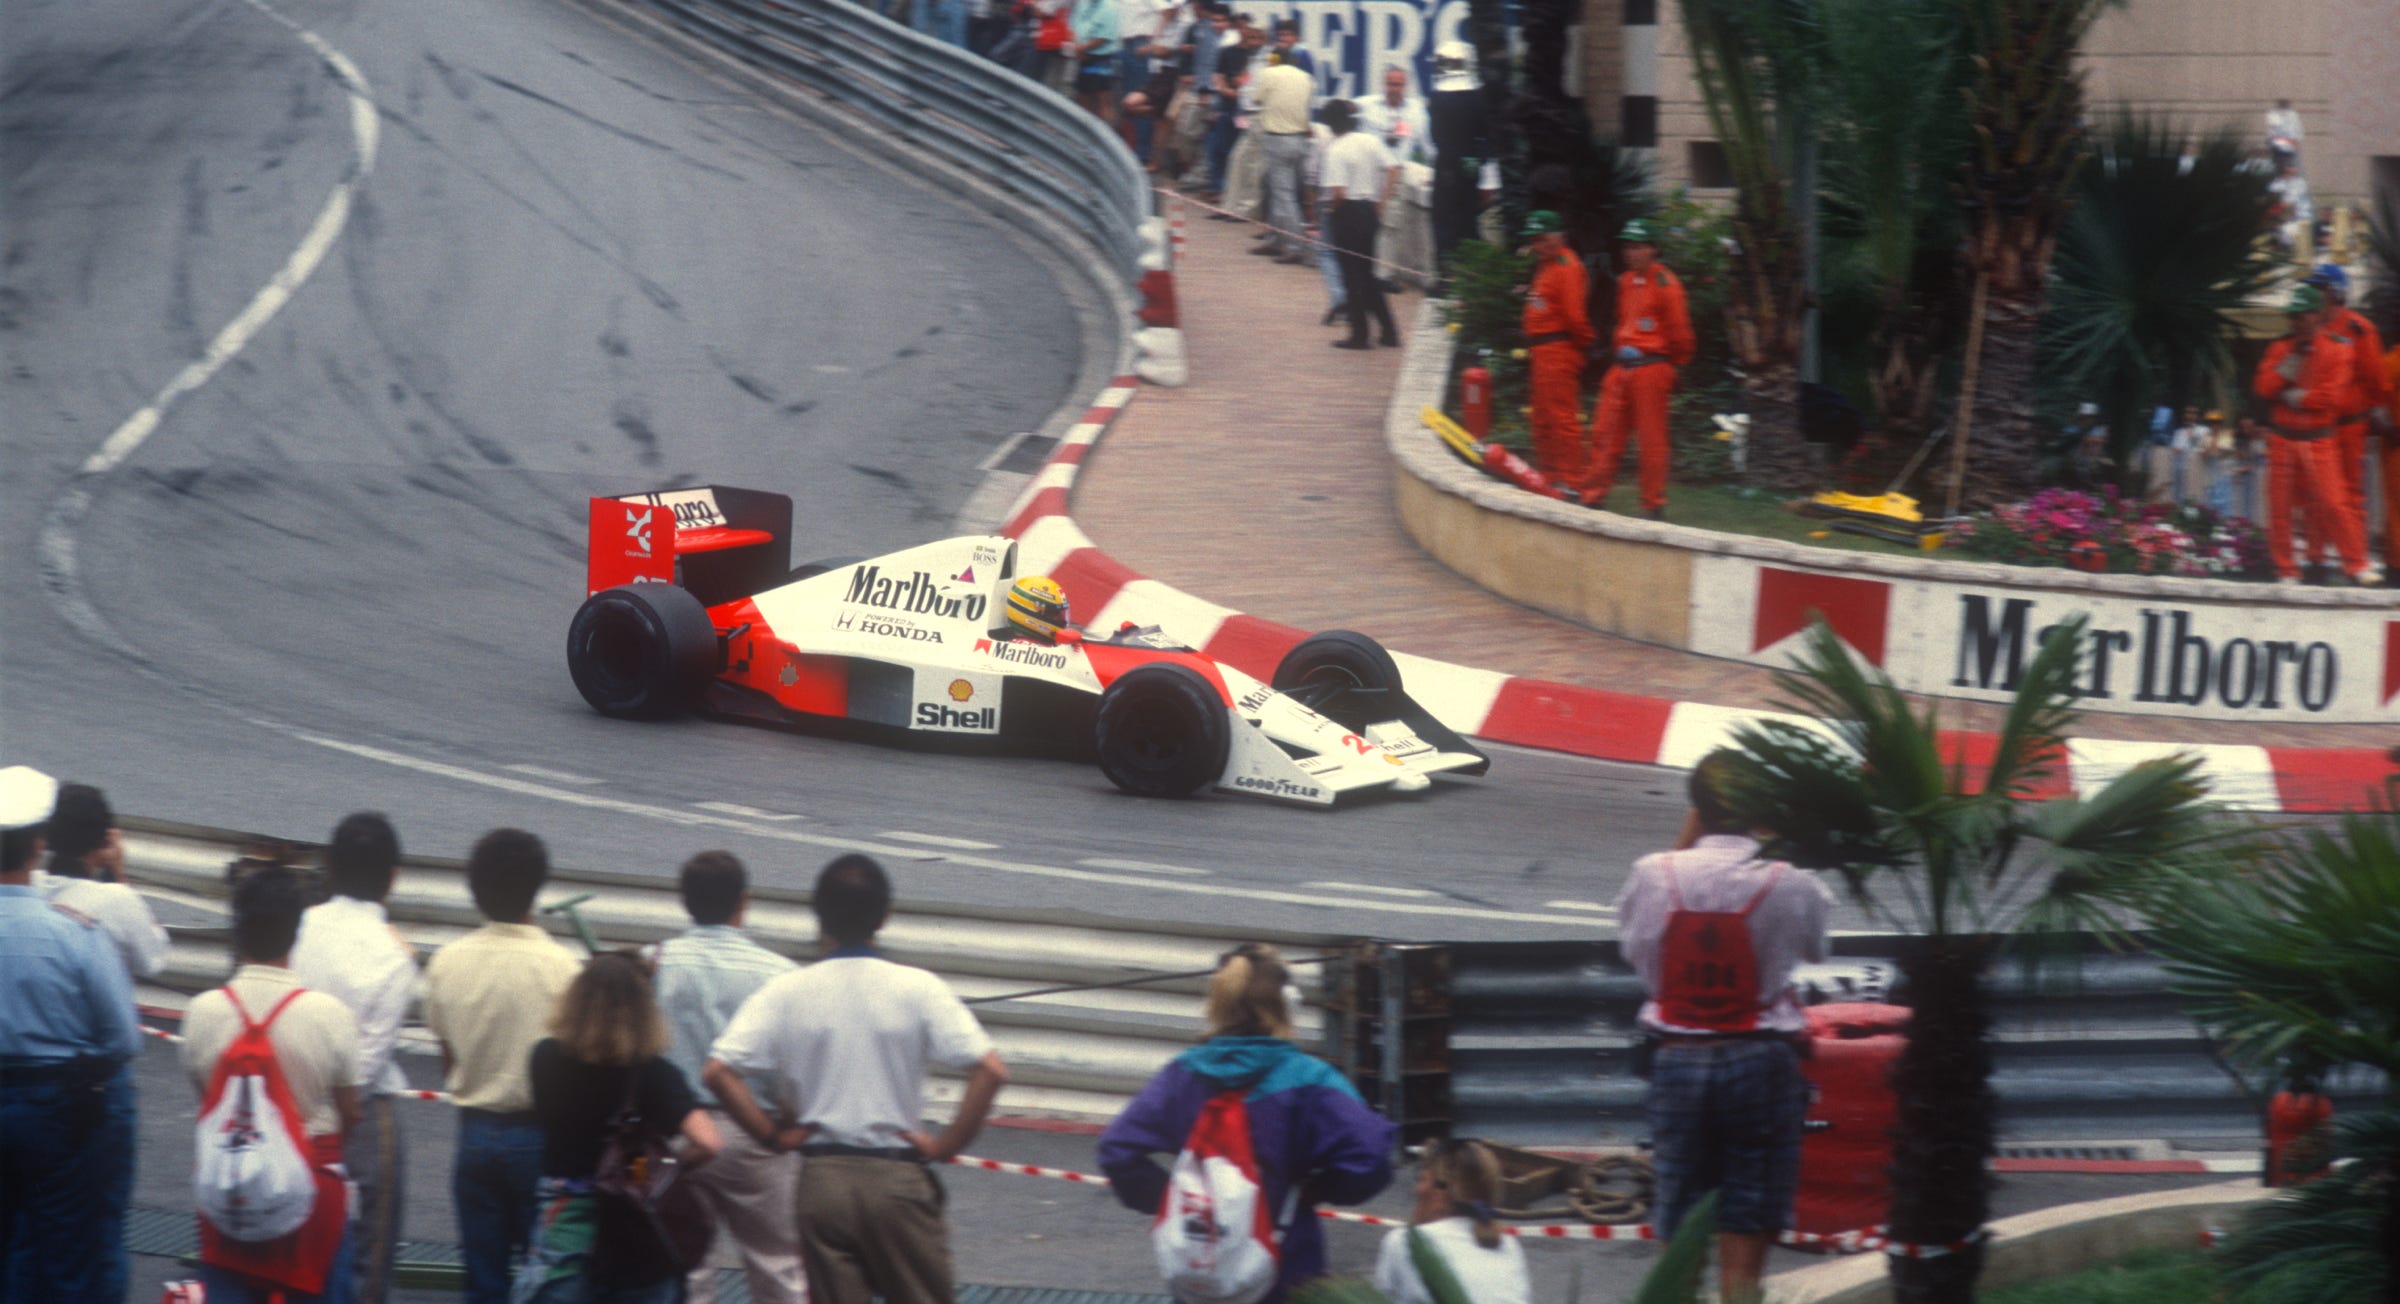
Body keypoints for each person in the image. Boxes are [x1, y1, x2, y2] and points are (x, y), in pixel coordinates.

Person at [704, 855, 1010, 1304]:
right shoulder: (919, 987)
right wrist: (946, 1145)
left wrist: (771, 1136)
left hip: (821, 1179)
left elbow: (718, 1071)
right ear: (884, 916)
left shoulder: (786, 990)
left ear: (819, 914)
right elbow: (991, 1070)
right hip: (896, 1177)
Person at [1615, 750, 1834, 1304]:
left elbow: (1636, 951)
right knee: (1750, 1211)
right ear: (1761, 811)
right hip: (1761, 1057)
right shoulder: (1790, 881)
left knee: (1679, 1208)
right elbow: (1816, 947)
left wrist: (1683, 841)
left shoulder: (1653, 873)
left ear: (1696, 808)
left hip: (1677, 1057)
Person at [1097, 944, 1394, 1301]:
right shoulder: (1309, 1080)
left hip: (1203, 1269)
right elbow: (1372, 1156)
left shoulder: (1181, 1075)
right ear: (1288, 1004)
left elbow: (1117, 1150)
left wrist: (1168, 1200)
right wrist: (1320, 1189)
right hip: (1288, 1266)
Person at [183, 866, 363, 1304]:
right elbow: (350, 1114)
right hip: (310, 1193)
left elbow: (211, 1103)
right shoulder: (331, 1015)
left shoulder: (201, 1013)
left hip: (231, 1189)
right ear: (296, 931)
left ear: (237, 930)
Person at [422, 828, 585, 1304]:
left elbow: (448, 1055)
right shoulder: (564, 968)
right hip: (541, 1139)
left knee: (483, 1280)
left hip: (474, 1133)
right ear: (537, 886)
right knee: (547, 1279)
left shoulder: (447, 962)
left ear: (475, 888)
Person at [0, 766, 141, 1304]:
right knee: (68, 1255)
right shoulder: (73, 933)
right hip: (56, 1110)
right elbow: (122, 1040)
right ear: (39, 845)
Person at [517, 952, 723, 1304]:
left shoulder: (544, 1057)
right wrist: (671, 1167)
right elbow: (709, 1141)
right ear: (644, 1011)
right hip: (634, 1223)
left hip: (566, 1217)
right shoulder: (656, 1074)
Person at [650, 851, 804, 1304]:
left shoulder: (653, 963)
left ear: (685, 901)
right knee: (779, 1265)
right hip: (757, 1132)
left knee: (688, 1264)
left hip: (678, 1133)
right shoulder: (780, 974)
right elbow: (793, 1069)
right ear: (744, 901)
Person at [292, 812, 419, 1304]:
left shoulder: (299, 926)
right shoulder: (395, 954)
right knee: (368, 1254)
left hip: (288, 1099)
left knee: (290, 1246)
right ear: (392, 877)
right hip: (361, 1118)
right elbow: (367, 1064)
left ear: (330, 867)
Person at [2253, 284, 2378, 585]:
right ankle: (2286, 569)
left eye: (2302, 315)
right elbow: (2264, 388)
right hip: (2283, 438)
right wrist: (2292, 364)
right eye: (2293, 316)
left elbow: (2330, 399)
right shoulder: (2280, 348)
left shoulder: (2339, 348)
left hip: (2319, 438)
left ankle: (2356, 564)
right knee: (2280, 506)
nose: (2297, 322)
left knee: (2335, 502)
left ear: (2317, 314)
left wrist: (2292, 397)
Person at [1575, 218, 1695, 518]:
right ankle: (1592, 495)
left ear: (1654, 249)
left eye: (1639, 247)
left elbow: (1680, 333)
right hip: (1622, 368)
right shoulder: (1625, 281)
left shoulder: (1667, 284)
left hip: (1651, 368)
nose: (1632, 253)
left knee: (1651, 439)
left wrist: (1673, 364)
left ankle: (1653, 504)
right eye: (1628, 247)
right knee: (1605, 431)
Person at [2302, 264, 2392, 572]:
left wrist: (2378, 414)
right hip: (2318, 426)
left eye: (2320, 287)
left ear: (2335, 292)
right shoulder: (2310, 329)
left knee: (2351, 493)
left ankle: (2355, 562)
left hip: (2351, 425)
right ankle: (2315, 558)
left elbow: (2376, 380)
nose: (2315, 293)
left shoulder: (2359, 329)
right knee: (2316, 493)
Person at [1369, 1139, 1530, 1304]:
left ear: (1441, 1194)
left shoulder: (1404, 1242)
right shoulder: (1509, 1246)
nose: (1416, 1189)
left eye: (1422, 1179)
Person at [36, 782, 168, 981]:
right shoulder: (118, 900)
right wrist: (118, 875)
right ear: (105, 839)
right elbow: (152, 962)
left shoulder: (24, 885)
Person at [1521, 210, 1595, 481]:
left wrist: (1582, 345)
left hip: (1557, 351)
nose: (1537, 245)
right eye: (1534, 240)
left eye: (1542, 239)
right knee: (1542, 418)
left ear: (1557, 237)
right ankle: (1550, 477)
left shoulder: (1566, 266)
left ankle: (1573, 481)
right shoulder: (1547, 266)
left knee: (1562, 417)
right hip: (1543, 352)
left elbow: (1575, 317)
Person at [1321, 99, 1399, 351]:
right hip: (1368, 210)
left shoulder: (1335, 150)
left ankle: (1360, 334)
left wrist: (1330, 212)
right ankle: (1389, 331)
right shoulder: (1369, 141)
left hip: (1347, 213)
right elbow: (1393, 168)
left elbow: (1338, 192)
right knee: (1367, 273)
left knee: (1351, 276)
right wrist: (1382, 201)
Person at [1425, 41, 1488, 270]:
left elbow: (1435, 137)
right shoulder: (1478, 96)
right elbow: (1484, 133)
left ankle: (1444, 274)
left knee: (1444, 221)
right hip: (1471, 162)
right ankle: (1470, 272)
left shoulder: (1438, 98)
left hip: (1447, 165)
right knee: (1468, 219)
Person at [1252, 48, 1315, 262]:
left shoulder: (1269, 73)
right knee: (1280, 191)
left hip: (1278, 139)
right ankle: (1277, 239)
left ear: (1274, 60)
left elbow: (1257, 99)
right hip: (1300, 139)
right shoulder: (1306, 78)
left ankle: (1294, 245)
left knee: (1282, 195)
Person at [1357, 66, 1429, 164]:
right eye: (1390, 84)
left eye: (1398, 85)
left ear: (1405, 86)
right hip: (1370, 169)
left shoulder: (1416, 108)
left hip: (1402, 168)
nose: (1394, 89)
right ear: (1383, 84)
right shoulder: (1365, 104)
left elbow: (1426, 143)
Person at [1069, 0, 1121, 121]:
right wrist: (1077, 47)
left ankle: (1104, 130)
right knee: (1083, 95)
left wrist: (1081, 48)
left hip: (1102, 58)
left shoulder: (1110, 7)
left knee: (1103, 98)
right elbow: (1072, 26)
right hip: (1083, 57)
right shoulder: (1082, 4)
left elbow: (1105, 36)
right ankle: (1083, 129)